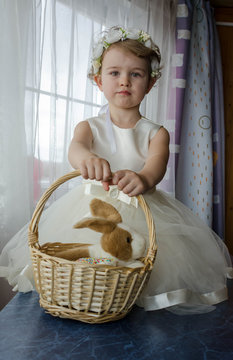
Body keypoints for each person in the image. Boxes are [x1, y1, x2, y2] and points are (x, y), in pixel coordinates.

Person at [0, 26, 232, 315]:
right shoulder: (88, 127)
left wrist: (143, 178)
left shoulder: (156, 132)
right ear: (98, 80)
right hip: (92, 206)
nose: (125, 81)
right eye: (114, 73)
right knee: (89, 257)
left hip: (142, 207)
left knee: (140, 263)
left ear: (149, 83)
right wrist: (87, 159)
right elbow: (76, 149)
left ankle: (125, 299)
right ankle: (91, 293)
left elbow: (156, 167)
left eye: (136, 74)